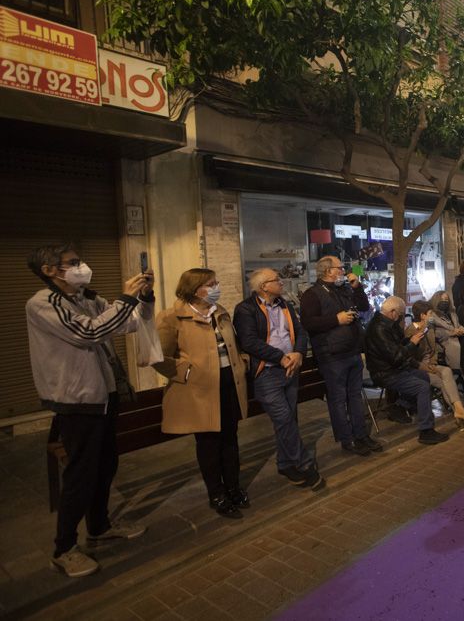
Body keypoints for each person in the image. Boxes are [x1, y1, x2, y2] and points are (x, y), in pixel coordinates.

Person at [26, 244, 151, 577]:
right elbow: (89, 332)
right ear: (50, 270)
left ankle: (99, 525)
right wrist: (124, 299)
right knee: (80, 473)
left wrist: (142, 296)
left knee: (105, 464)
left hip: (104, 394)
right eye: (73, 263)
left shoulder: (85, 298)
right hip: (76, 399)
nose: (82, 266)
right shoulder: (42, 303)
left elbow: (125, 325)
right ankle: (64, 547)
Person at [154, 269, 250, 519]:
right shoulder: (172, 317)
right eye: (211, 283)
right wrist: (186, 372)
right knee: (209, 444)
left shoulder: (220, 313)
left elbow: (234, 345)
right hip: (199, 390)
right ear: (196, 289)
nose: (216, 286)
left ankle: (233, 487)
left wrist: (242, 361)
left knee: (230, 439)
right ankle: (216, 493)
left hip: (229, 385)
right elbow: (159, 357)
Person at [234, 268, 324, 488]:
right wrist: (280, 358)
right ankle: (303, 463)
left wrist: (298, 353)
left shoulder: (285, 304)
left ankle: (285, 464)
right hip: (267, 372)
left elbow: (300, 331)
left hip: (290, 369)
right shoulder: (246, 309)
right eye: (277, 280)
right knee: (283, 419)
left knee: (289, 419)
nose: (282, 282)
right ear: (264, 286)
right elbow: (249, 342)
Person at [300, 256, 382, 456]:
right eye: (340, 268)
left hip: (352, 350)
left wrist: (357, 286)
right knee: (338, 399)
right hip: (332, 354)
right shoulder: (312, 294)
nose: (344, 271)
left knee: (355, 396)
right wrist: (336, 320)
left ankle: (361, 435)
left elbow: (363, 307)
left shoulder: (344, 289)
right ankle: (347, 439)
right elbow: (308, 323)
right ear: (328, 271)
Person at [364, 296, 450, 445]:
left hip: (394, 369)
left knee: (425, 377)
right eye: (401, 314)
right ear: (392, 312)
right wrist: (411, 344)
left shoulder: (387, 325)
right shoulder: (378, 328)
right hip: (385, 373)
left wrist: (410, 341)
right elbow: (396, 357)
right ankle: (426, 430)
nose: (401, 317)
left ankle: (400, 406)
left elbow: (396, 348)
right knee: (422, 387)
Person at [405, 301, 464, 428]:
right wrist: (425, 366)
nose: (432, 317)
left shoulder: (428, 327)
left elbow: (435, 346)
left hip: (431, 364)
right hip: (418, 368)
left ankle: (460, 412)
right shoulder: (411, 331)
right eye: (430, 314)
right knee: (443, 379)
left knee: (446, 372)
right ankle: (461, 414)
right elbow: (410, 358)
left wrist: (433, 361)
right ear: (422, 315)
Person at [428, 290, 464, 372]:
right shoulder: (431, 315)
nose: (444, 302)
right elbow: (432, 332)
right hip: (444, 340)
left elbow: (458, 325)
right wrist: (451, 333)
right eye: (442, 300)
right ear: (436, 300)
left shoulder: (452, 313)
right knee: (455, 345)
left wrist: (462, 329)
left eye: (446, 300)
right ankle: (456, 371)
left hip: (458, 337)